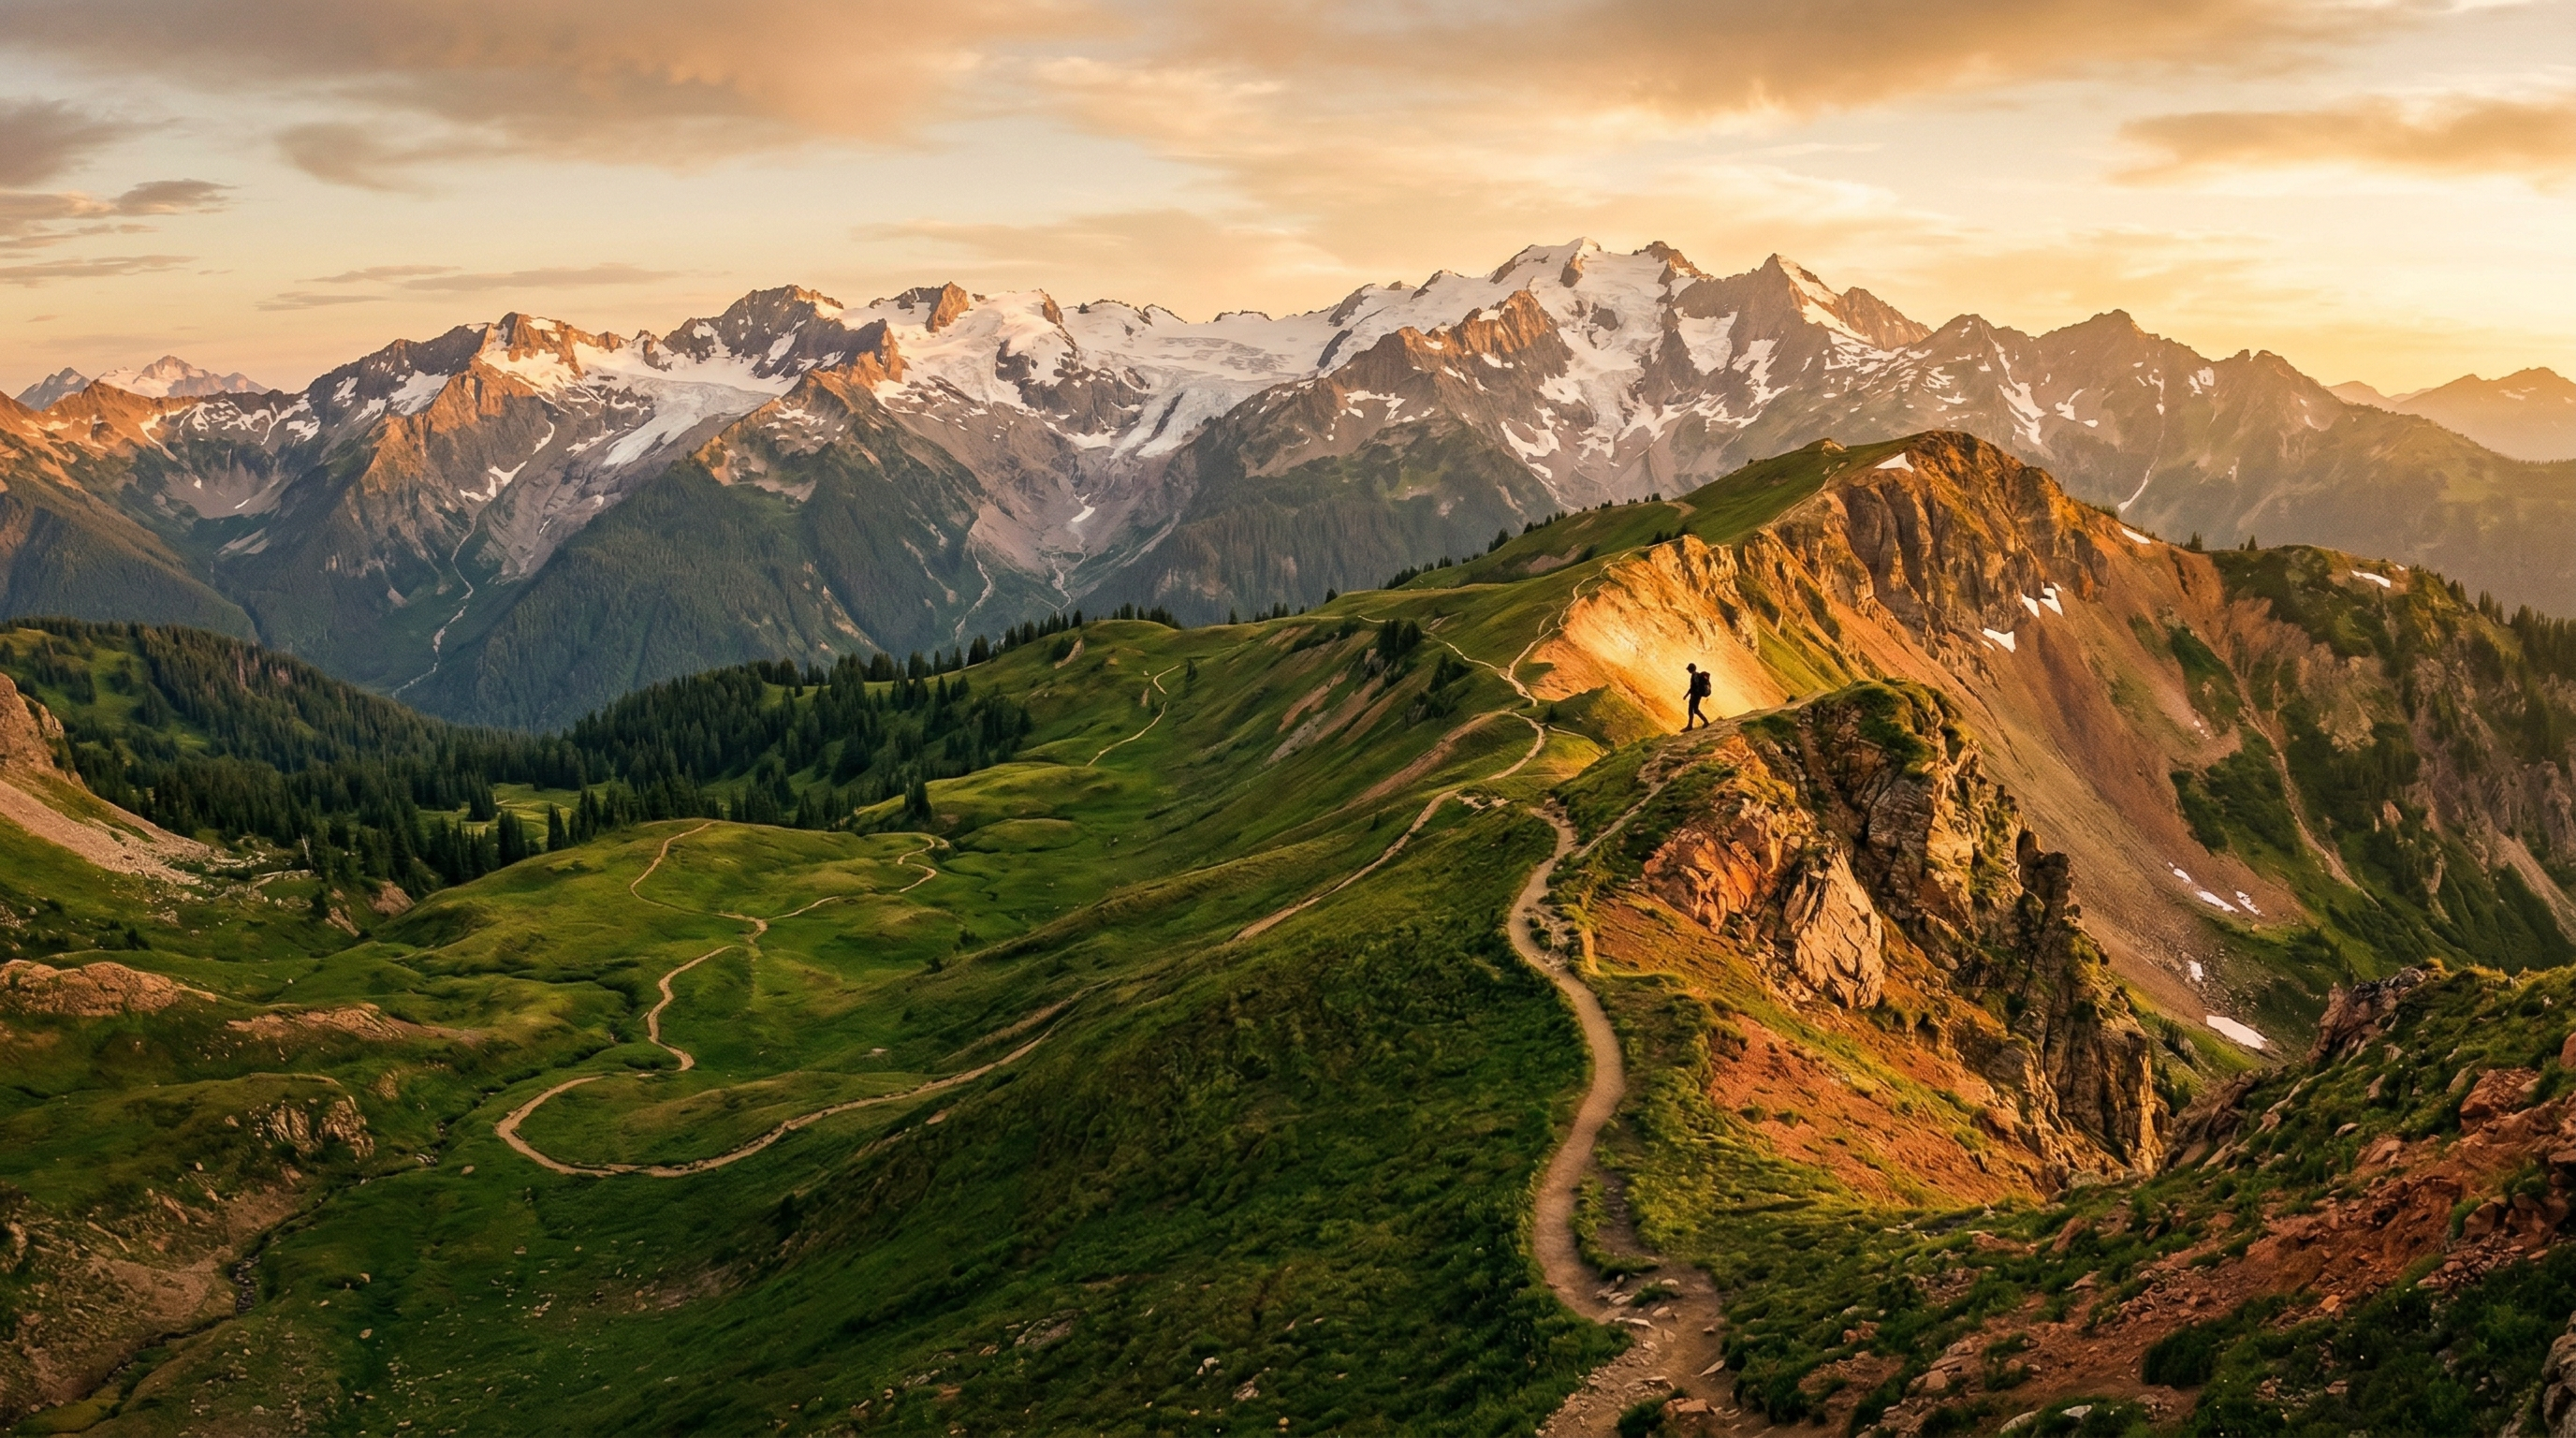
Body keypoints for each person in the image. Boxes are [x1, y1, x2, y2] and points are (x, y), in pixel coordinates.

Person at [1684, 662, 1711, 730]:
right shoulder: (1697, 675)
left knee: (1693, 710)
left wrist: (1688, 695)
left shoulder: (1694, 676)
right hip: (1696, 695)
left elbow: (1694, 686)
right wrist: (1687, 695)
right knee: (1694, 710)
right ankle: (1691, 725)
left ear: (1690, 669)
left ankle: (1704, 722)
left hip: (1695, 696)